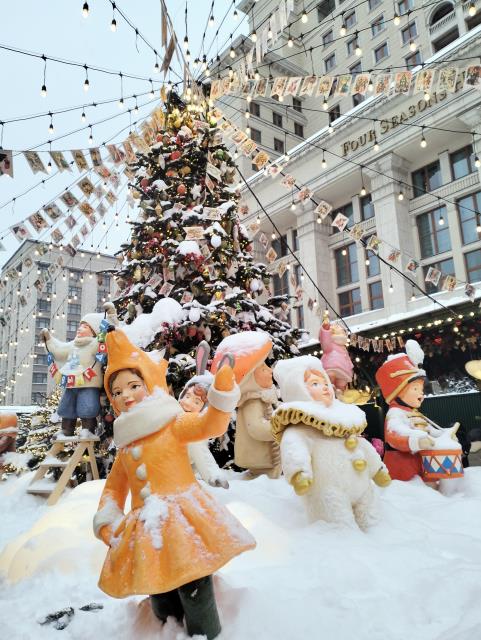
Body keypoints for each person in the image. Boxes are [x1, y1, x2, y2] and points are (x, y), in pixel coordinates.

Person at [93, 328, 255, 639]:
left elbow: (209, 425)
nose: (126, 395)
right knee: (159, 587)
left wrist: (221, 395)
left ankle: (205, 632)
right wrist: (107, 520)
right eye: (117, 391)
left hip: (181, 516)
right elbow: (114, 488)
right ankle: (165, 627)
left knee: (193, 581)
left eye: (134, 386)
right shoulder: (125, 445)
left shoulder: (173, 422)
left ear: (150, 385)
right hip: (147, 524)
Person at [272, 355, 390, 529]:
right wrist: (299, 473)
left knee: (373, 521)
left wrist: (377, 469)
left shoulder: (342, 418)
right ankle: (340, 536)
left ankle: (376, 532)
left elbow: (361, 445)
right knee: (338, 528)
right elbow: (294, 448)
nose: (325, 388)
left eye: (325, 383)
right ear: (298, 389)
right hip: (329, 489)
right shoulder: (300, 428)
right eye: (315, 384)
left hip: (362, 485)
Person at [375, 340, 463, 485]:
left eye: (421, 389)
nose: (421, 393)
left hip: (421, 467)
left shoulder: (415, 413)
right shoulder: (395, 413)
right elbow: (394, 435)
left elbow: (429, 431)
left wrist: (445, 434)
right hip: (402, 470)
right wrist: (416, 440)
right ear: (398, 392)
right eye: (415, 389)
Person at [210, 331, 280, 479]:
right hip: (262, 461)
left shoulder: (262, 398)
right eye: (263, 368)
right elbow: (257, 429)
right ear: (249, 379)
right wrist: (283, 427)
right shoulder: (252, 402)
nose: (270, 370)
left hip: (266, 462)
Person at [41, 303, 117, 437]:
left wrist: (111, 316)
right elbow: (58, 350)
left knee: (87, 407)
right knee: (67, 407)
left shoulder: (95, 343)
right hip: (71, 383)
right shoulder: (72, 345)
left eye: (85, 326)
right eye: (80, 326)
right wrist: (48, 339)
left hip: (89, 384)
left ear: (93, 331)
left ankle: (88, 429)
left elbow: (108, 336)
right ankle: (66, 429)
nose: (80, 329)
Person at [178, 342, 229, 489]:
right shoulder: (172, 412)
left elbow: (199, 454)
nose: (188, 404)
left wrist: (209, 474)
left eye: (196, 402)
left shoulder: (196, 426)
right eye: (187, 396)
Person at [318, 310, 353, 393]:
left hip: (343, 370)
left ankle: (339, 392)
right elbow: (325, 343)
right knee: (331, 379)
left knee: (341, 384)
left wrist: (350, 366)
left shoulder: (343, 347)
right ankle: (332, 390)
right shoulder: (331, 343)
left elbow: (347, 359)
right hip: (331, 366)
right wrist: (325, 331)